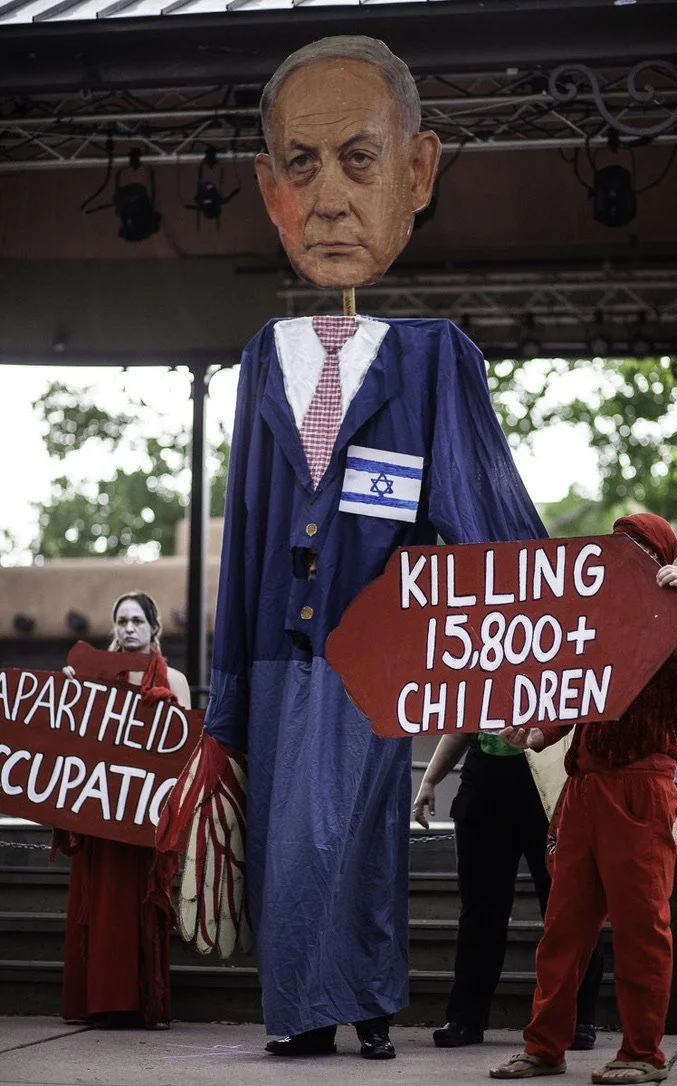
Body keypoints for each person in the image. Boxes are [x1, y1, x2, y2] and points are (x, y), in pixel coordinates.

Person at [158, 34, 547, 1062]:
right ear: (268, 188)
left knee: (361, 840)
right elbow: (243, 532)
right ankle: (301, 1011)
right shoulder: (259, 361)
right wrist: (224, 700)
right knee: (290, 843)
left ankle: (370, 1002)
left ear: (417, 172)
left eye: (360, 160)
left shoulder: (431, 360)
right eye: (300, 165)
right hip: (283, 662)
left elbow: (484, 512)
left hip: (376, 658)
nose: (328, 199)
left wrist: (547, 649)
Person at [489, 513, 677, 1084]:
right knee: (563, 928)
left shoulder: (676, 615)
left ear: (658, 557)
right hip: (584, 789)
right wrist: (535, 733)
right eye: (616, 547)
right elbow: (573, 698)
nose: (622, 556)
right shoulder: (594, 622)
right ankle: (545, 1046)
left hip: (641, 790)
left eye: (635, 548)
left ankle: (642, 1053)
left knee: (642, 927)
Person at [413, 732, 604, 1051]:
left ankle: (578, 1016)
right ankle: (465, 1019)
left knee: (567, 909)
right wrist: (430, 779)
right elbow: (463, 723)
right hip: (485, 783)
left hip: (551, 783)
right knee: (479, 913)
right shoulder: (478, 678)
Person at [55, 591, 191, 1029]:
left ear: (154, 628)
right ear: (114, 628)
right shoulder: (90, 675)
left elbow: (183, 750)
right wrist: (69, 691)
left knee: (139, 907)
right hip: (100, 815)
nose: (129, 627)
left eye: (137, 620)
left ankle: (138, 1002)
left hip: (143, 819)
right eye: (121, 620)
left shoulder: (175, 678)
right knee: (99, 908)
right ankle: (98, 1000)